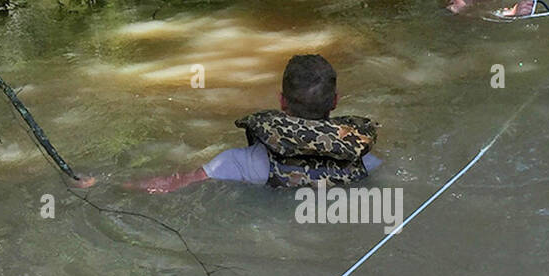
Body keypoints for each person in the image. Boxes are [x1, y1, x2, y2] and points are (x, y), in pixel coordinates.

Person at [133, 54, 382, 193]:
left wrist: (112, 183)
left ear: (282, 101)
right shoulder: (366, 162)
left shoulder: (238, 162)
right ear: (335, 101)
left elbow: (171, 186)